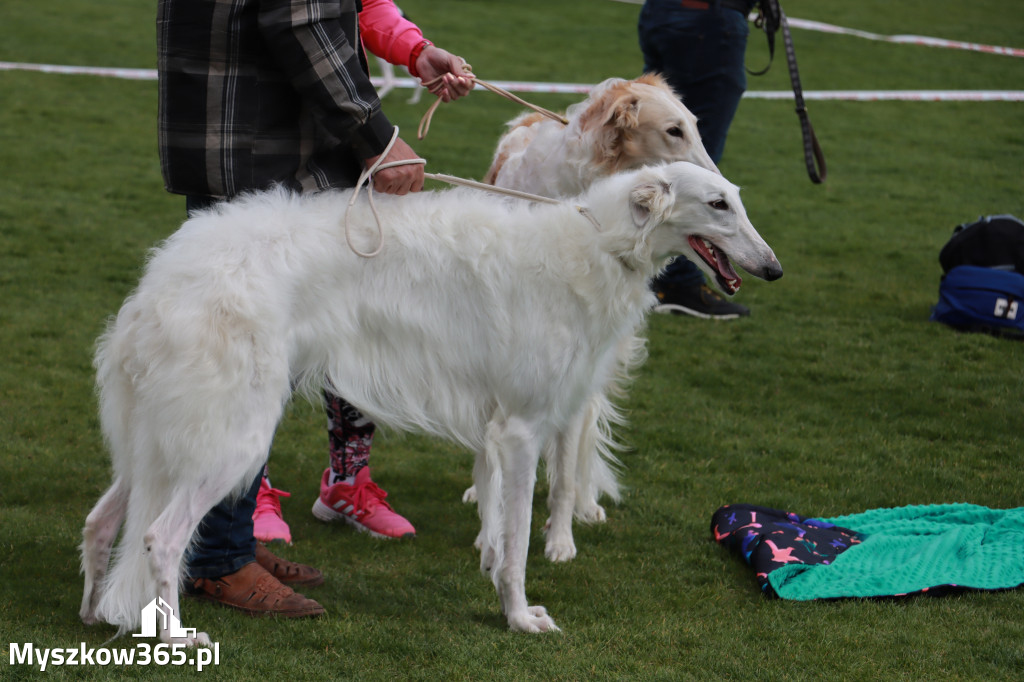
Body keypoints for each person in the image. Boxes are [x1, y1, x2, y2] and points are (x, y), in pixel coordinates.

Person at [157, 0, 473, 617]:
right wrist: (376, 137)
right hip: (257, 147)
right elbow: (300, 20)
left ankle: (227, 537)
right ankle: (219, 558)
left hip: (246, 137)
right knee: (240, 372)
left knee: (249, 369)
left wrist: (411, 48)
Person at [638, 0, 757, 320]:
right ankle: (676, 283)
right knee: (699, 168)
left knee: (657, 158)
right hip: (710, 19)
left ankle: (643, 269)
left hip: (662, 12)